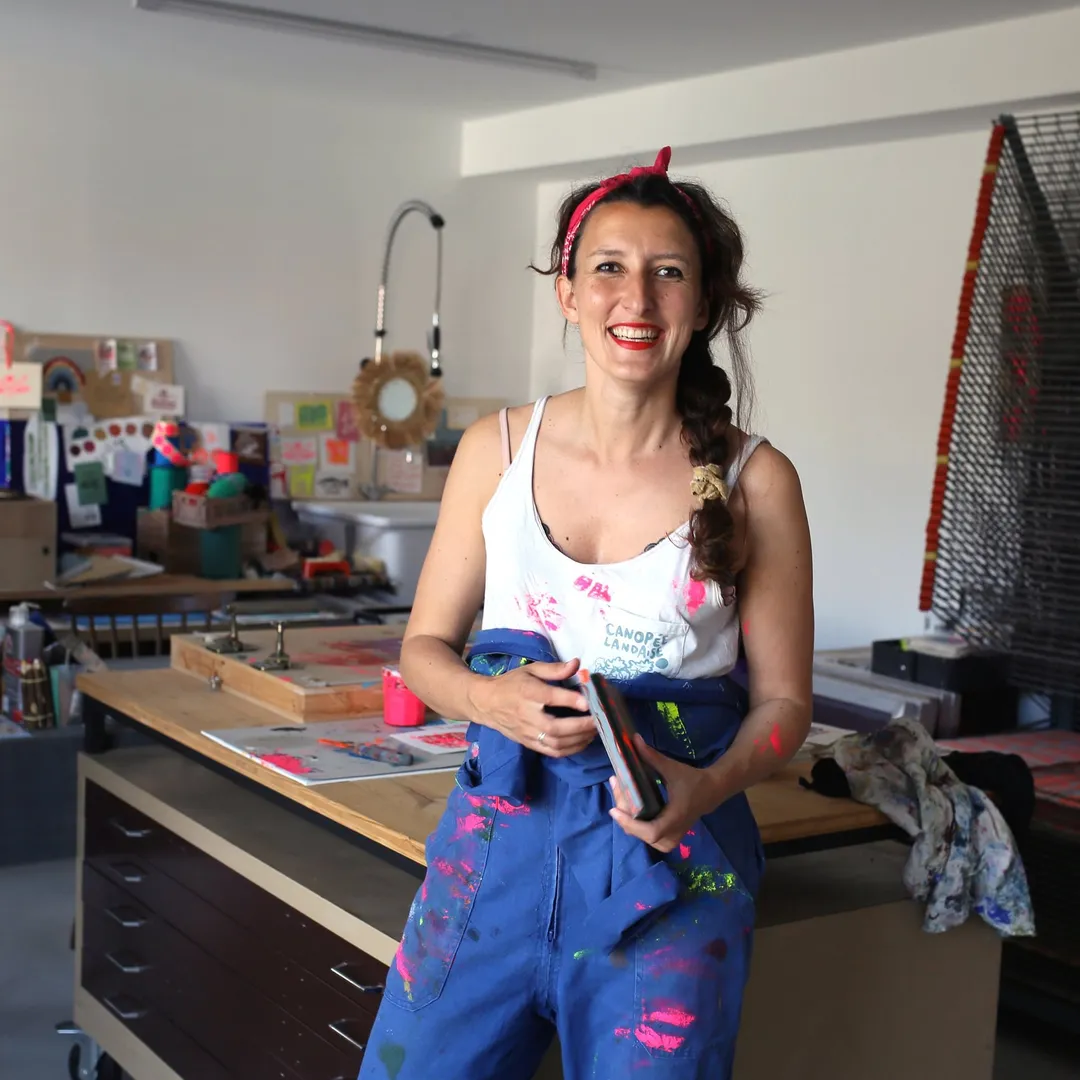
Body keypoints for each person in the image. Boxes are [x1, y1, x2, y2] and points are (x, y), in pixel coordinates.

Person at [358, 147, 813, 1080]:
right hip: (492, 855)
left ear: (705, 302)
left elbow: (786, 708)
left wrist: (706, 787)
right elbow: (424, 648)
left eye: (668, 272)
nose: (636, 298)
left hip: (672, 863)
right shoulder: (496, 450)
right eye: (608, 267)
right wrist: (491, 701)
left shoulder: (755, 480)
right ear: (567, 291)